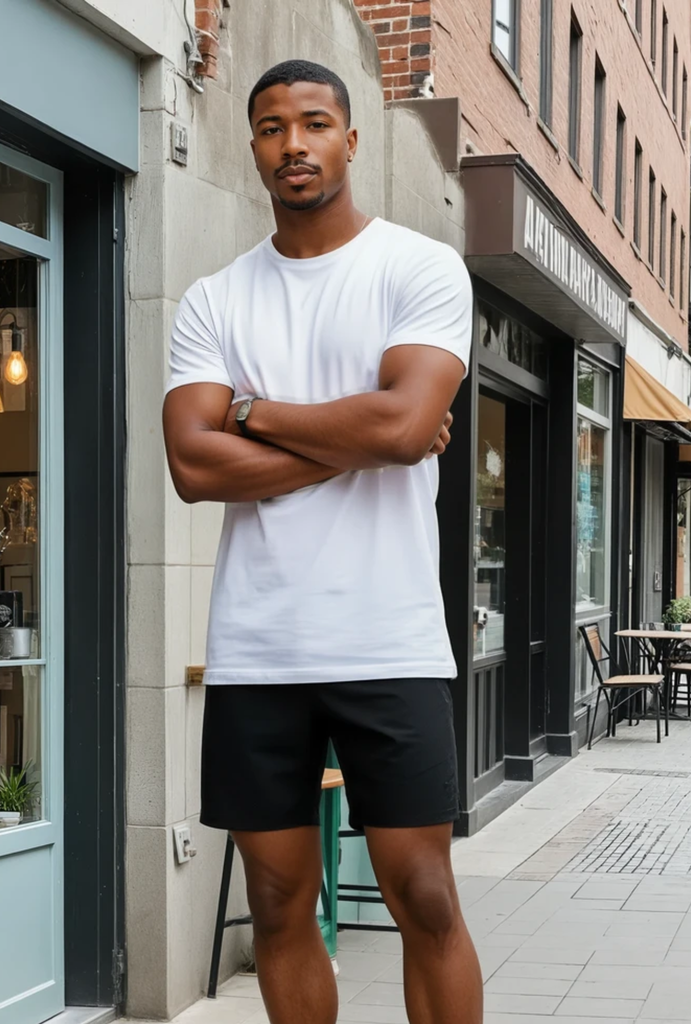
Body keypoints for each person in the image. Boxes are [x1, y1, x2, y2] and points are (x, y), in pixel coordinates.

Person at [162, 60, 482, 1024]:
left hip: (388, 640)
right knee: (275, 903)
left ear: (351, 140)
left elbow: (402, 426)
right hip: (259, 648)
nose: (292, 143)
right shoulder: (214, 301)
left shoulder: (418, 268)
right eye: (269, 127)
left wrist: (253, 410)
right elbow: (193, 466)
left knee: (424, 895)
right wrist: (368, 438)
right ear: (251, 145)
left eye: (312, 123)